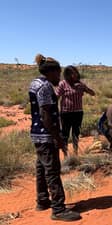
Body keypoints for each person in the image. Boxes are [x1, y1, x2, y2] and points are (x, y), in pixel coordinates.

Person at [29, 54, 81, 221]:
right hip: (46, 136)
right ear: (51, 72)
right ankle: (58, 209)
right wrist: (57, 138)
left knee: (41, 168)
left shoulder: (35, 83)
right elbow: (46, 115)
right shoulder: (44, 87)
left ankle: (43, 200)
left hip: (37, 134)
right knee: (52, 171)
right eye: (58, 73)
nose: (59, 77)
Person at [55, 65, 95, 156]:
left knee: (76, 133)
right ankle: (65, 154)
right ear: (67, 75)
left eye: (75, 73)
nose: (74, 75)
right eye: (72, 74)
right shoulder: (63, 84)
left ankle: (75, 152)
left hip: (78, 113)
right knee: (65, 134)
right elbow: (56, 97)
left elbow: (92, 93)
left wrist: (85, 88)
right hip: (66, 113)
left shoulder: (80, 84)